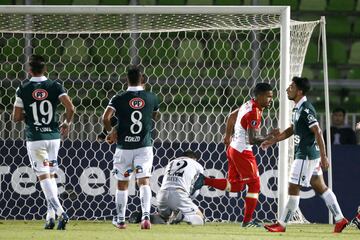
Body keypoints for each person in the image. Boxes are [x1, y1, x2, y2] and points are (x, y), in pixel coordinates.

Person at [261, 77, 348, 233]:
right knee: (321, 187)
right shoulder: (297, 108)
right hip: (308, 156)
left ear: (299, 91)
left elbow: (318, 131)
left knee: (293, 187)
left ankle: (281, 224)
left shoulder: (306, 108)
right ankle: (340, 219)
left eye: (291, 87)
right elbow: (292, 129)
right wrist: (274, 140)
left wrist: (324, 156)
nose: (288, 89)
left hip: (305, 156)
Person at [191, 82, 279, 227]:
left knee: (236, 186)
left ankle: (204, 180)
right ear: (260, 96)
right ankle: (247, 221)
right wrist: (271, 137)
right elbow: (253, 139)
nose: (271, 100)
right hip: (242, 151)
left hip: (233, 149)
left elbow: (232, 115)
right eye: (268, 97)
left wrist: (227, 136)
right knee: (255, 184)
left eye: (271, 97)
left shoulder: (248, 104)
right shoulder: (254, 112)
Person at [12, 55, 74, 230]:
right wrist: (66, 123)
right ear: (45, 69)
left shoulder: (23, 88)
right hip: (54, 137)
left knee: (43, 176)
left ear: (29, 70)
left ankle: (61, 212)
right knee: (52, 175)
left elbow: (16, 117)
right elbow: (70, 108)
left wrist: (29, 117)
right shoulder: (55, 86)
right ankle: (50, 217)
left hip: (36, 139)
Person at [102, 66, 159, 230]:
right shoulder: (152, 98)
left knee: (122, 184)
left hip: (124, 148)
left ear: (126, 80)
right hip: (143, 147)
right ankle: (146, 217)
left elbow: (105, 117)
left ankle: (120, 220)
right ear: (144, 80)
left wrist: (110, 133)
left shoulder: (118, 98)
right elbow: (154, 116)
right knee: (144, 181)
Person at [157, 150, 204, 225]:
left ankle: (149, 217)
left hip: (161, 196)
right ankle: (182, 217)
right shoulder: (197, 165)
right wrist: (189, 199)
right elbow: (196, 188)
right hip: (179, 194)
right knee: (200, 218)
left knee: (165, 218)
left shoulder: (171, 163)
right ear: (194, 159)